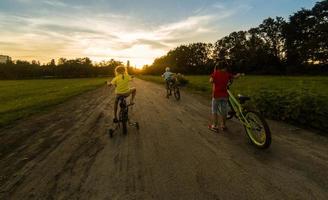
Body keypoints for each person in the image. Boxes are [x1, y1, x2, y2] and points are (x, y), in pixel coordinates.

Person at [209, 63, 242, 131]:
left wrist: (214, 79)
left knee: (214, 111)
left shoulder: (215, 73)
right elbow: (235, 77)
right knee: (224, 111)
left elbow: (211, 81)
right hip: (225, 96)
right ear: (225, 68)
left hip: (216, 95)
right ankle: (223, 125)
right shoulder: (227, 74)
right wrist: (238, 75)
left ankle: (215, 126)